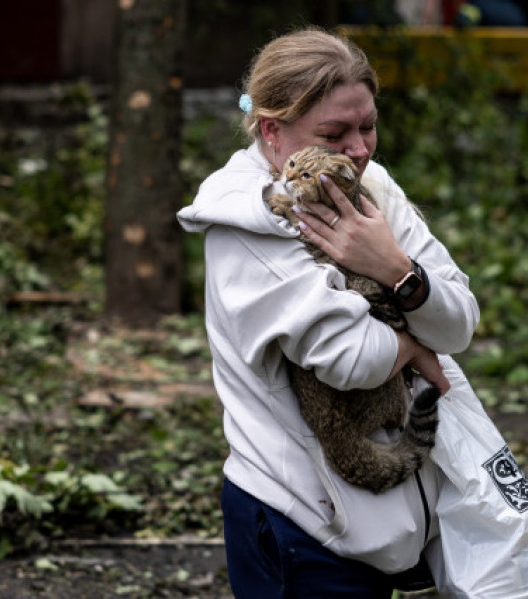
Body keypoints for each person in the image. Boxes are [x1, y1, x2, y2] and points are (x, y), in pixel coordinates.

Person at [176, 27, 480, 598]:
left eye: (367, 127)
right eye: (334, 133)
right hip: (305, 527)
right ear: (272, 130)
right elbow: (353, 360)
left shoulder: (374, 189)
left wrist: (394, 268)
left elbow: (459, 321)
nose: (360, 150)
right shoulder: (245, 228)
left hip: (380, 524)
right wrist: (415, 345)